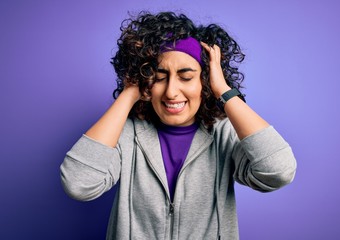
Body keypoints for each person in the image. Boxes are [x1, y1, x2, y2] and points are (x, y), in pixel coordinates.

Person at [60, 11, 296, 240]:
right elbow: (79, 184)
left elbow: (278, 172)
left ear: (204, 81)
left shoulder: (224, 133)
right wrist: (129, 93)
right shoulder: (125, 132)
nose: (171, 91)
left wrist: (224, 91)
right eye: (160, 77)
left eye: (186, 77)